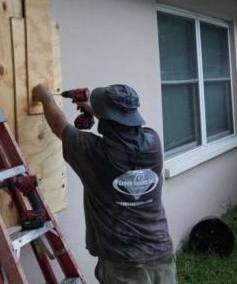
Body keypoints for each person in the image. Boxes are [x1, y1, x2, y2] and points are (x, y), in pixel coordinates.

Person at [32, 83, 176, 284]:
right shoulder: (152, 142)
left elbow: (60, 126)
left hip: (123, 261)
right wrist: (97, 109)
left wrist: (46, 97)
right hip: (161, 251)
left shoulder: (94, 152)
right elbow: (122, 129)